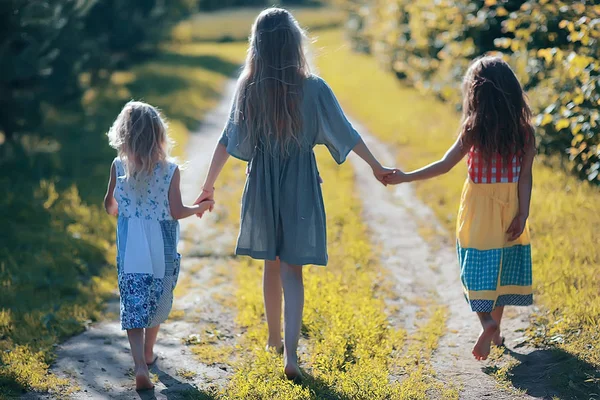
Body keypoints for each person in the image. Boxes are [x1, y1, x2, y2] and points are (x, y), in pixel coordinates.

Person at [194, 8, 395, 381]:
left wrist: (208, 186)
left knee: (271, 263)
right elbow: (346, 132)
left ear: (257, 46)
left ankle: (273, 341)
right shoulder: (314, 87)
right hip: (301, 183)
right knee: (292, 271)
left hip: (262, 184)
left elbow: (227, 139)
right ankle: (290, 354)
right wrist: (375, 166)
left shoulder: (248, 87)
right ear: (294, 43)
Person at [386, 56, 535, 361]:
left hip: (479, 212)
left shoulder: (473, 130)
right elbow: (526, 177)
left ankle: (488, 323)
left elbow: (443, 166)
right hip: (511, 209)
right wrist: (523, 214)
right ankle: (497, 332)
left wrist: (406, 177)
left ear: (475, 96)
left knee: (476, 269)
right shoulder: (525, 133)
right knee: (501, 268)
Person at [104, 101, 213, 390]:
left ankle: (140, 364)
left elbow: (110, 207)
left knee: (133, 303)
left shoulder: (118, 167)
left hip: (131, 249)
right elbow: (177, 211)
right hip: (160, 248)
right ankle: (150, 352)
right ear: (159, 135)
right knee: (156, 300)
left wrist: (119, 205)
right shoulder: (170, 170)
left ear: (124, 136)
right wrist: (198, 208)